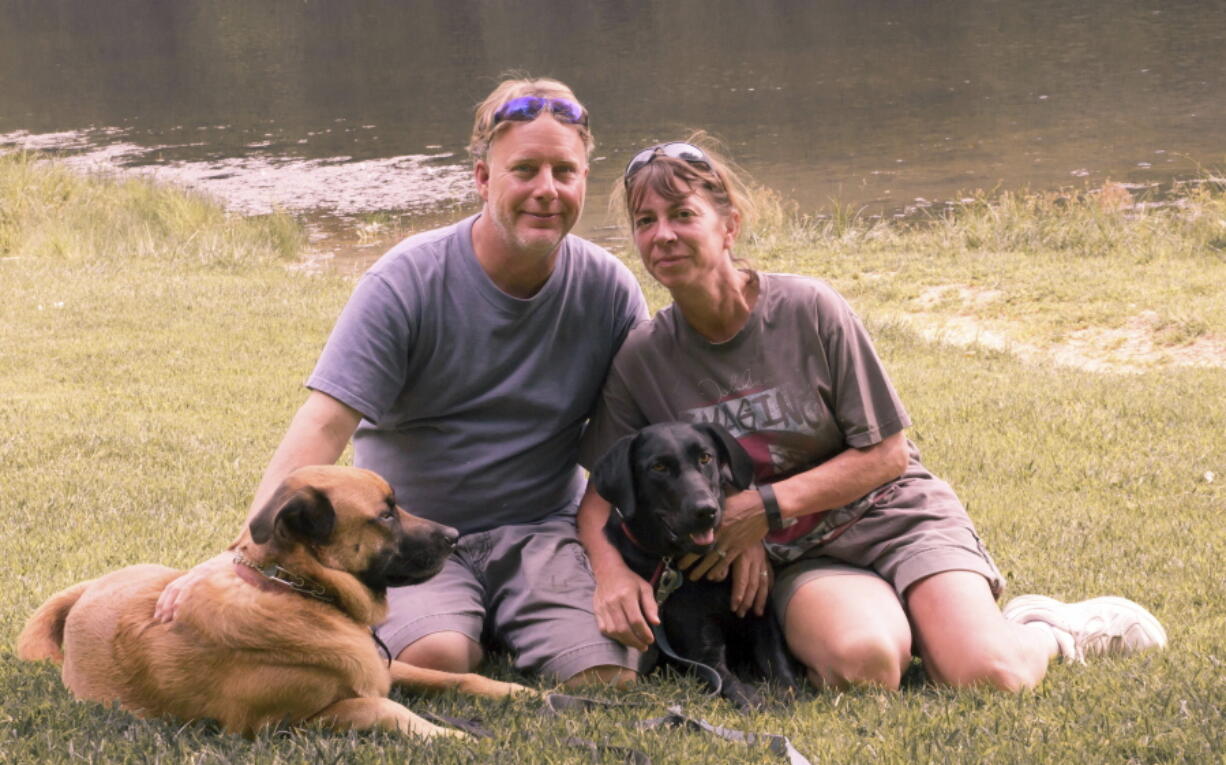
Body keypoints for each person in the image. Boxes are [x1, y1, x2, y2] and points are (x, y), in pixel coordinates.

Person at [575, 137, 1167, 692]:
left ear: (729, 226)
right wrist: (611, 575)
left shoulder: (809, 309)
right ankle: (905, 623)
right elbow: (601, 492)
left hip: (894, 516)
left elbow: (887, 455)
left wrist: (761, 508)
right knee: (866, 665)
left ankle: (1050, 629)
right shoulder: (644, 358)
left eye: (682, 214)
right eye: (645, 221)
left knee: (990, 674)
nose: (663, 235)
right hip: (799, 555)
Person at [156, 77, 648, 686]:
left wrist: (622, 560)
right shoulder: (406, 281)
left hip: (542, 528)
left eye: (564, 172)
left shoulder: (609, 289)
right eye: (524, 169)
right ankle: (463, 622)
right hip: (409, 535)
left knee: (605, 674)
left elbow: (637, 439)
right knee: (438, 658)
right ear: (482, 178)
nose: (546, 190)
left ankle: (516, 615)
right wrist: (240, 559)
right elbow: (324, 423)